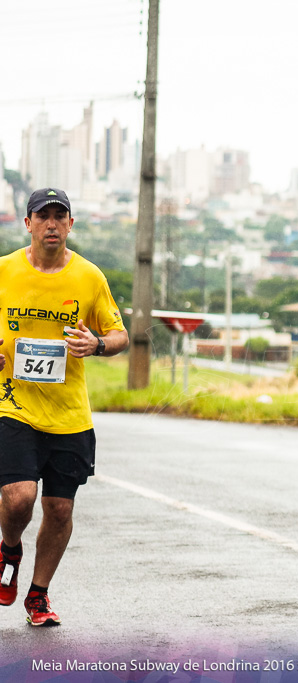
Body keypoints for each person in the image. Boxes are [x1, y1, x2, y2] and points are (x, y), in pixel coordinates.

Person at [0, 188, 128, 626]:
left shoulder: (90, 277)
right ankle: (10, 547)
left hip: (69, 414)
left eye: (60, 216)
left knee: (59, 510)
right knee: (19, 498)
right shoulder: (4, 271)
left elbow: (119, 335)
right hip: (11, 404)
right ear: (28, 223)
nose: (52, 224)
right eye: (43, 216)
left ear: (71, 225)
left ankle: (38, 595)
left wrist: (97, 344)